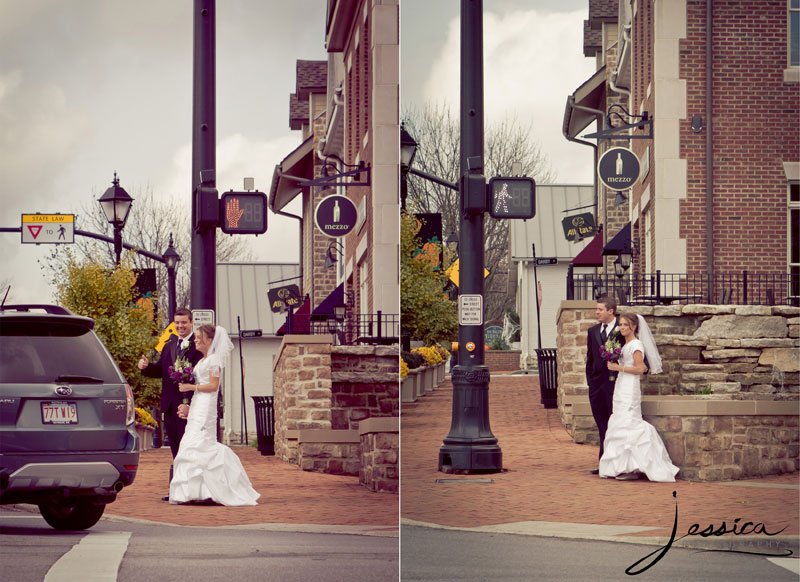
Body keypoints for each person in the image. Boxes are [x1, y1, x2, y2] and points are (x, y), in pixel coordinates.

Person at [169, 325, 260, 506]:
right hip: (197, 402)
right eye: (195, 338)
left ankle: (212, 490)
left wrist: (190, 387)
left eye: (198, 337)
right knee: (192, 440)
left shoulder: (215, 361)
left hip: (206, 404)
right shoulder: (203, 360)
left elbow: (213, 386)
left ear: (209, 340)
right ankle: (195, 491)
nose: (195, 340)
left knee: (202, 442)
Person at [599, 313, 679, 482]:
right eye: (620, 324)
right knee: (620, 419)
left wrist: (617, 367)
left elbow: (640, 369)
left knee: (629, 421)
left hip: (630, 386)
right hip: (621, 385)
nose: (621, 328)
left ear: (633, 327)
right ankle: (622, 466)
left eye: (625, 325)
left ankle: (633, 467)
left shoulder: (636, 345)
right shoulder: (623, 344)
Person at [138, 308, 202, 500]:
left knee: (189, 447)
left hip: (188, 406)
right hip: (169, 405)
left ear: (191, 323)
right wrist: (146, 367)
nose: (180, 326)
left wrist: (192, 403)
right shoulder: (169, 345)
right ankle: (178, 489)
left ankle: (192, 489)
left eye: (184, 322)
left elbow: (201, 377)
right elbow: (161, 371)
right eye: (177, 323)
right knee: (175, 447)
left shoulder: (197, 346)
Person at [585, 296, 619, 473]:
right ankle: (603, 463)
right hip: (597, 386)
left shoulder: (623, 329)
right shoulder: (593, 331)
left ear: (610, 311)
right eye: (596, 309)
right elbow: (590, 358)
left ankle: (617, 463)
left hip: (616, 384)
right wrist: (591, 382)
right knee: (601, 424)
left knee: (616, 424)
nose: (596, 312)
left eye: (600, 309)